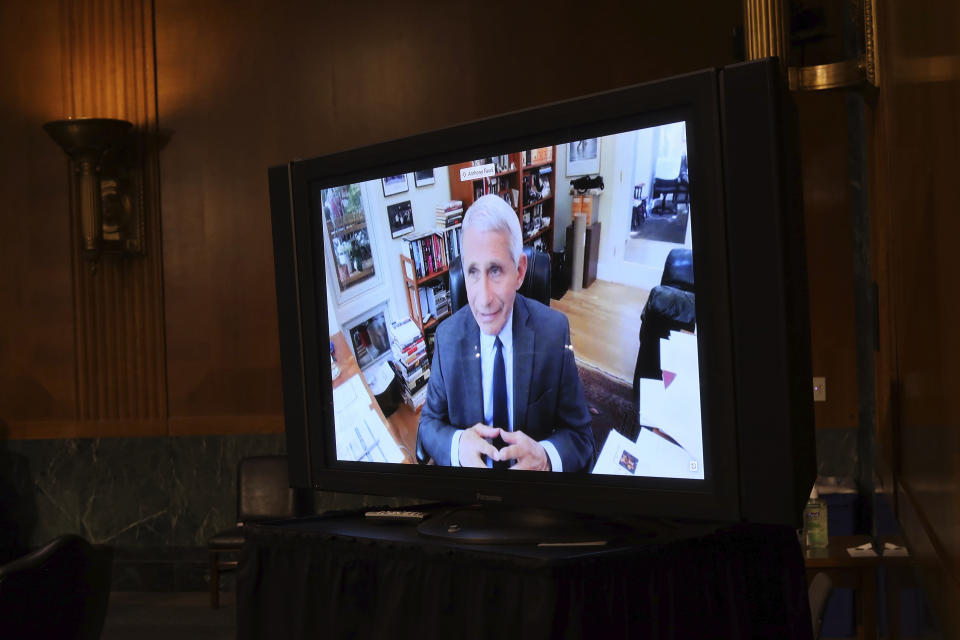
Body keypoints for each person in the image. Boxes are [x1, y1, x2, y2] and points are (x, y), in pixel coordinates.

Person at [416, 194, 594, 472]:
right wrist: (457, 445)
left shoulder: (554, 332)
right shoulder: (447, 338)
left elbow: (582, 438)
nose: (483, 299)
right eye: (473, 272)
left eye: (496, 270)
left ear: (520, 271)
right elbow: (428, 424)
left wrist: (546, 458)